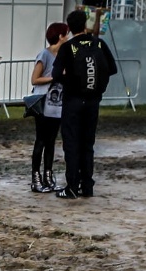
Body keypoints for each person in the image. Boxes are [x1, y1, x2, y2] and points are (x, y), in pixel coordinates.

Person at [51, 10, 117, 199]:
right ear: (85, 25)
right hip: (93, 102)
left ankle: (72, 186)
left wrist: (69, 80)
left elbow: (56, 75)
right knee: (87, 144)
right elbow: (112, 69)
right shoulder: (98, 43)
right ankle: (87, 186)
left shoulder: (68, 47)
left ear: (70, 28)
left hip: (73, 101)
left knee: (71, 144)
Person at [29, 23, 69, 193]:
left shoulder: (64, 55)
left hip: (58, 104)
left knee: (51, 142)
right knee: (41, 140)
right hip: (43, 102)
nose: (68, 37)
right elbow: (35, 79)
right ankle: (35, 177)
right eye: (66, 34)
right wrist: (54, 77)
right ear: (59, 36)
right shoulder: (44, 54)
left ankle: (48, 175)